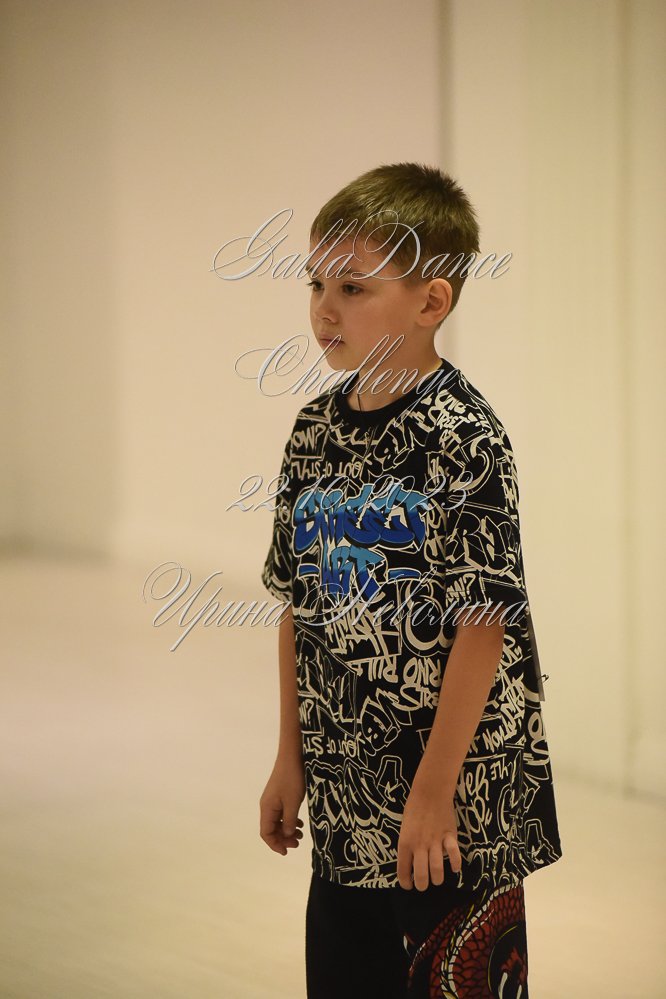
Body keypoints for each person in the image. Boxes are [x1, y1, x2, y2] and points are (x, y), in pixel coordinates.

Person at [259, 162, 563, 998]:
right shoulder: (313, 432)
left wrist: (433, 790)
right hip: (348, 800)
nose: (325, 308)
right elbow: (298, 605)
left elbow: (484, 622)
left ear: (432, 301)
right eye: (317, 283)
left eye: (353, 287)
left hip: (455, 806)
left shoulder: (464, 436)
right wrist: (290, 757)